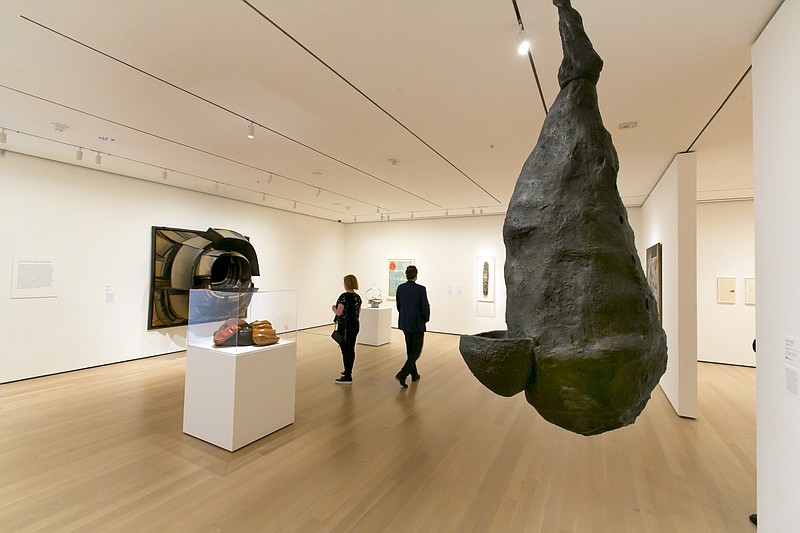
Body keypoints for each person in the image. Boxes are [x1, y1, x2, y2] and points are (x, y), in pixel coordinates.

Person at [395, 265, 430, 387]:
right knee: (416, 351)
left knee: (410, 349)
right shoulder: (421, 289)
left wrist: (405, 316)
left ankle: (414, 374)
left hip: (405, 322)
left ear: (406, 275)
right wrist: (425, 319)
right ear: (416, 275)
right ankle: (403, 373)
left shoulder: (400, 288)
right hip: (417, 323)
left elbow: (398, 305)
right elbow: (424, 306)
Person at [331, 274, 362, 383]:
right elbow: (358, 312)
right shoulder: (357, 297)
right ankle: (348, 370)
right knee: (351, 348)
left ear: (346, 284)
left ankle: (348, 375)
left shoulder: (343, 297)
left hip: (345, 327)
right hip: (355, 325)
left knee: (345, 350)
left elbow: (339, 313)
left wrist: (333, 308)